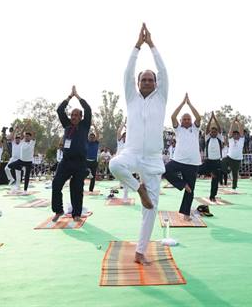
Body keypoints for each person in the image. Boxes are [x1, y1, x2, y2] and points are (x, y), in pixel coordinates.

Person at [109, 23, 168, 265]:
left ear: (155, 83)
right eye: (142, 79)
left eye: (149, 79)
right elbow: (127, 73)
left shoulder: (161, 97)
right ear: (138, 83)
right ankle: (138, 188)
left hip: (153, 158)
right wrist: (136, 46)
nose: (145, 81)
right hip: (132, 153)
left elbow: (164, 71)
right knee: (114, 165)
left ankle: (140, 252)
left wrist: (152, 45)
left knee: (151, 209)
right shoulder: (131, 97)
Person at [51, 86, 92, 222]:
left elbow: (88, 109)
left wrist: (78, 96)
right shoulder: (67, 125)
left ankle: (76, 214)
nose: (73, 117)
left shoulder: (85, 126)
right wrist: (69, 97)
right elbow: (59, 110)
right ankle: (58, 210)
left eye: (76, 115)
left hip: (80, 163)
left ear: (81, 117)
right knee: (56, 184)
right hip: (66, 162)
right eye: (72, 115)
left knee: (77, 189)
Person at [162, 93, 201, 221]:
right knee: (165, 170)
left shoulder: (195, 129)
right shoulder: (178, 129)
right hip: (178, 160)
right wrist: (182, 104)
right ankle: (182, 184)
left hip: (193, 163)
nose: (186, 121)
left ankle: (186, 214)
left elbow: (198, 117)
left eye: (188, 119)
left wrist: (189, 104)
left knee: (190, 190)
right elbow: (173, 116)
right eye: (184, 119)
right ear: (181, 121)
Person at [200, 112, 224, 201]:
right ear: (210, 132)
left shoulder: (219, 138)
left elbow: (220, 128)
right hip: (208, 161)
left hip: (217, 162)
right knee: (198, 170)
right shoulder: (207, 138)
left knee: (215, 180)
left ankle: (212, 196)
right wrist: (211, 119)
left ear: (217, 133)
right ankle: (208, 173)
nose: (213, 133)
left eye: (215, 132)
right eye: (212, 132)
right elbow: (206, 128)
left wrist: (215, 118)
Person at [225, 117, 245, 190]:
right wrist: (233, 122)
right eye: (234, 134)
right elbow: (230, 131)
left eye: (237, 134)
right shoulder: (231, 140)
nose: (236, 135)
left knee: (235, 174)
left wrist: (238, 122)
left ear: (239, 135)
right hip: (229, 157)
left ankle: (234, 187)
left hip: (238, 159)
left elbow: (241, 131)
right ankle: (227, 170)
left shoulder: (241, 140)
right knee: (222, 163)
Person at [86, 125, 100, 193]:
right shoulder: (86, 142)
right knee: (82, 175)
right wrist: (88, 127)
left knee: (93, 177)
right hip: (86, 161)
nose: (91, 138)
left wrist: (94, 125)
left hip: (94, 162)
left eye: (93, 137)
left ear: (94, 138)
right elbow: (85, 133)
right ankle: (80, 188)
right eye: (90, 137)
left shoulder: (96, 143)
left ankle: (91, 190)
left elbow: (98, 134)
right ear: (88, 137)